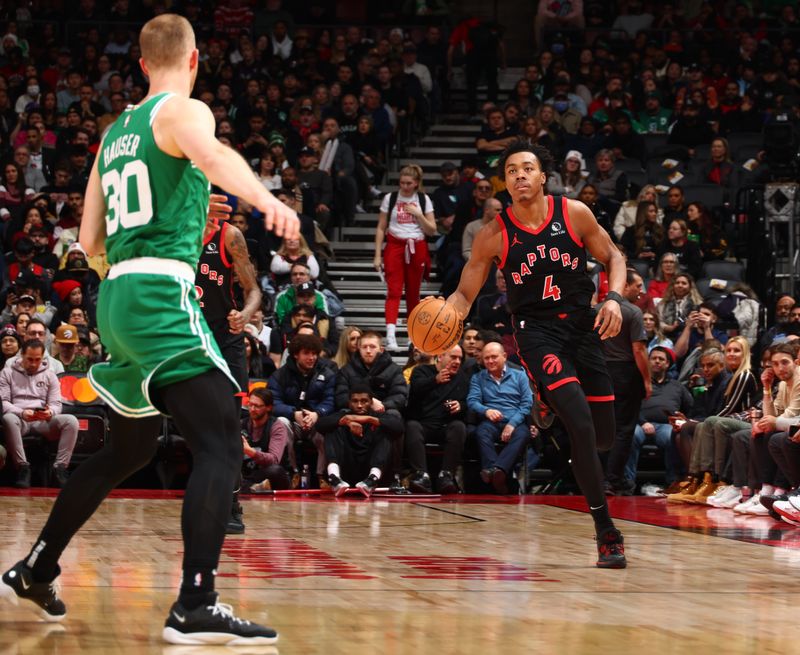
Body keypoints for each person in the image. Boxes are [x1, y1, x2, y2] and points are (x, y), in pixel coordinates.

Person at [0, 15, 297, 646]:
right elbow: (213, 155)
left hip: (115, 296)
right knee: (220, 441)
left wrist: (132, 272)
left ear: (141, 63)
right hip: (161, 293)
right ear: (194, 61)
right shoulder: (183, 111)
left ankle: (38, 566)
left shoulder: (114, 135)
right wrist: (266, 197)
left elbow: (87, 240)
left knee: (129, 449)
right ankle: (197, 602)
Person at [447, 140, 628, 568]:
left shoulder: (574, 214)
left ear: (543, 176)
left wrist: (615, 298)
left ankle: (544, 404)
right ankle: (606, 531)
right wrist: (444, 321)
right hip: (536, 332)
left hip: (583, 326)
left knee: (603, 436)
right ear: (505, 182)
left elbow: (613, 256)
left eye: (528, 168)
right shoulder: (494, 233)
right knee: (581, 424)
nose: (520, 176)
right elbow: (464, 292)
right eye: (512, 171)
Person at [196, 201, 263, 535]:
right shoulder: (171, 234)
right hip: (187, 342)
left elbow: (253, 291)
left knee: (228, 427)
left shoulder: (229, 237)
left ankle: (232, 503)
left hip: (225, 340)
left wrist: (247, 314)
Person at [1, 338, 80, 489]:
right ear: (21, 356)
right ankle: (23, 468)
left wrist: (50, 412)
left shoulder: (50, 375)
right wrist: (22, 413)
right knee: (8, 418)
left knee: (71, 421)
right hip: (20, 419)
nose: (33, 364)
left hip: (42, 421)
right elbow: (4, 403)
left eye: (37, 359)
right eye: (29, 359)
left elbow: (57, 404)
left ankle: (60, 469)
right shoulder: (7, 373)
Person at [373, 165, 437, 350]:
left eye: (409, 183)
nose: (405, 186)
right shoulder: (390, 198)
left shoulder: (424, 200)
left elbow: (432, 230)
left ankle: (412, 334)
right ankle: (390, 334)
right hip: (395, 245)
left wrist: (418, 215)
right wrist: (377, 255)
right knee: (393, 291)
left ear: (416, 183)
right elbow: (380, 227)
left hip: (416, 245)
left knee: (413, 293)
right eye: (402, 183)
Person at [603, 270, 651, 495]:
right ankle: (612, 480)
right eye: (638, 285)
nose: (641, 291)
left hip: (599, 372)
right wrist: (647, 380)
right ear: (625, 285)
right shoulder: (633, 311)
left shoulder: (596, 310)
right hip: (624, 372)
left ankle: (597, 479)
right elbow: (639, 350)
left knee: (600, 427)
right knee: (623, 429)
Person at [467, 341, 532, 494]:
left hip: (515, 421)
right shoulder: (478, 378)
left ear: (504, 356)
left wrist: (512, 424)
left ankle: (495, 470)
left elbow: (527, 404)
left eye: (494, 357)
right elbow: (472, 401)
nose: (490, 361)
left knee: (523, 433)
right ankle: (497, 472)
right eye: (486, 358)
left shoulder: (520, 376)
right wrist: (486, 410)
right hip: (491, 422)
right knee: (481, 432)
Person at [317, 383, 404, 497]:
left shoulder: (379, 416)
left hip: (371, 468)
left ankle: (372, 479)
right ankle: (334, 478)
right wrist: (346, 421)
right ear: (349, 403)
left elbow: (399, 428)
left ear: (371, 402)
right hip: (347, 470)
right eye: (355, 401)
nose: (359, 405)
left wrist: (369, 419)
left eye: (364, 401)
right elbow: (319, 425)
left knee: (386, 431)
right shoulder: (344, 415)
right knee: (332, 429)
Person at [404, 344, 468, 494]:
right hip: (423, 424)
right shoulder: (421, 371)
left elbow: (468, 402)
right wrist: (435, 380)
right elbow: (416, 390)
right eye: (453, 357)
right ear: (440, 356)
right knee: (412, 426)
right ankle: (421, 475)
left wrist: (461, 406)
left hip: (445, 426)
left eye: (460, 358)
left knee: (459, 426)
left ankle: (446, 475)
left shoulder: (462, 378)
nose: (457, 361)